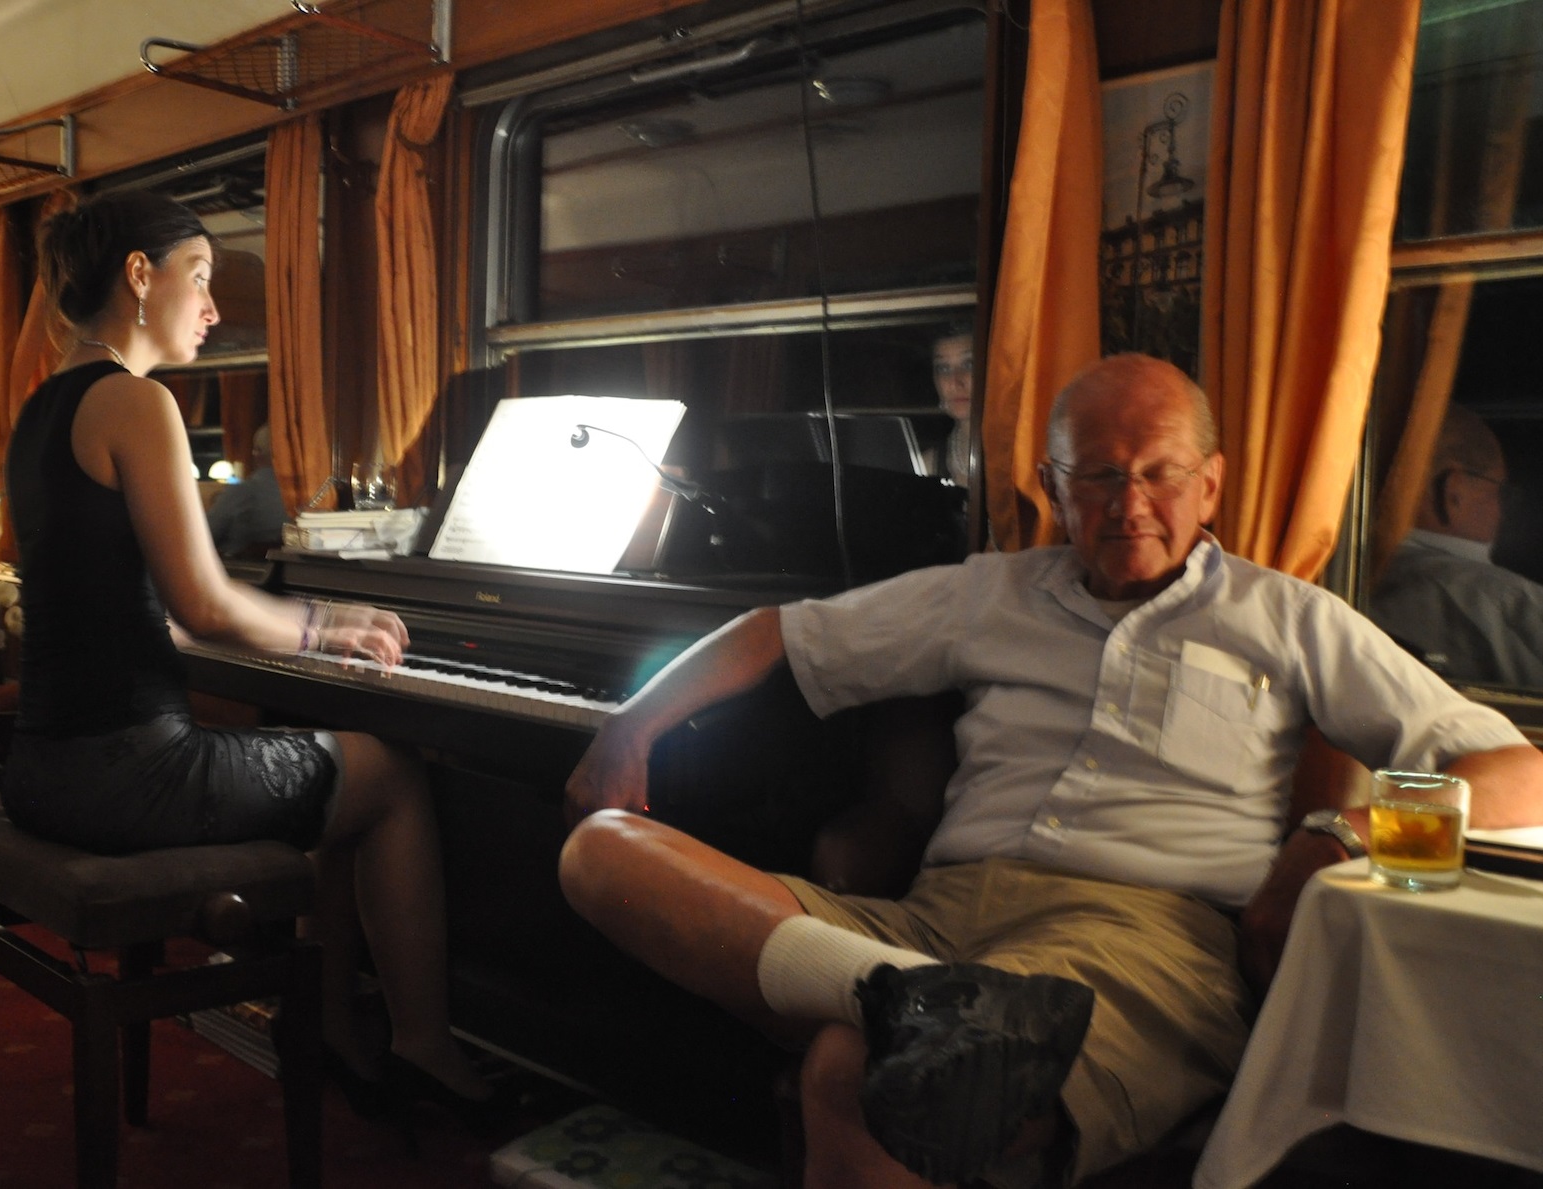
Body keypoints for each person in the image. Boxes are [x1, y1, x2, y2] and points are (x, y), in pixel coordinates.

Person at [558, 352, 1543, 1188]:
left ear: (1211, 482)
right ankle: (906, 993)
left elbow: (1515, 768)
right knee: (601, 851)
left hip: (1139, 946)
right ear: (1052, 483)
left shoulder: (1288, 617)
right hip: (931, 919)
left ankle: (902, 1006)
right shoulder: (987, 594)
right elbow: (781, 630)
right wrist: (628, 730)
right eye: (1099, 477)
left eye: (1159, 473)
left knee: (852, 1067)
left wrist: (1342, 830)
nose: (1129, 505)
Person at [3, 190, 491, 1129]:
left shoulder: (42, 410)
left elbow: (147, 612)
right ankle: (425, 1046)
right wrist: (323, 623)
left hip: (45, 768)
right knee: (387, 773)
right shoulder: (135, 400)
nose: (214, 307)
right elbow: (202, 603)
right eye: (201, 277)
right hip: (124, 774)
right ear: (139, 277)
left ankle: (334, 1027)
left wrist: (283, 621)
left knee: (328, 763)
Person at [1370, 403, 1543, 688]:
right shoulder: (1512, 604)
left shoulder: (1336, 576)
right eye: (1502, 492)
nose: (1502, 513)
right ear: (1454, 492)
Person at [207, 423, 288, 557]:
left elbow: (205, 535)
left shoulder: (242, 492)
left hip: (241, 571)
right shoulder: (304, 494)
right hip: (289, 573)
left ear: (256, 453)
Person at [932, 324, 975, 487]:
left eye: (968, 365)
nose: (955, 382)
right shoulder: (927, 464)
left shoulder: (1020, 457)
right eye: (943, 368)